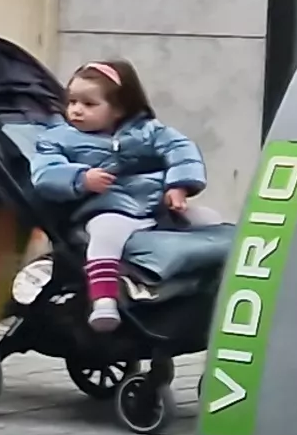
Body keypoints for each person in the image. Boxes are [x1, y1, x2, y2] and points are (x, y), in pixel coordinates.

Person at [20, 58, 208, 331]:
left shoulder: (148, 131)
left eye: (89, 104)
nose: (76, 110)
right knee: (106, 234)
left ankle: (211, 290)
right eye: (72, 102)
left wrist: (178, 186)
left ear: (119, 109)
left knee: (208, 220)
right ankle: (104, 300)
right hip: (104, 209)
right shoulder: (58, 138)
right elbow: (45, 173)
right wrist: (81, 178)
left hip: (155, 207)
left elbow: (181, 149)